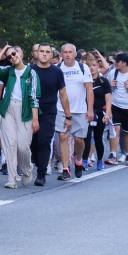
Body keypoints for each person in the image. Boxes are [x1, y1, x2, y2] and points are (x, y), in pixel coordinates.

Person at [0, 45, 39, 188]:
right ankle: (12, 179)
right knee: (10, 144)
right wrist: (3, 51)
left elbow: (34, 97)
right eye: (9, 56)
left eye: (14, 53)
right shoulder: (8, 72)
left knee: (23, 146)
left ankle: (27, 170)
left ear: (22, 54)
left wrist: (35, 119)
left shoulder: (31, 73)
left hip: (25, 110)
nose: (13, 57)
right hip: (8, 108)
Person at [30, 44, 70, 185]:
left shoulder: (57, 72)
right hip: (30, 111)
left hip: (49, 112)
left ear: (52, 55)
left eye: (48, 52)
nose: (45, 54)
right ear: (37, 53)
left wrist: (68, 116)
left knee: (44, 141)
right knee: (33, 143)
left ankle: (41, 174)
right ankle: (36, 160)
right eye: (42, 51)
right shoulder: (30, 70)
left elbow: (63, 95)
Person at [55, 44, 94, 180]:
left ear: (75, 53)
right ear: (61, 54)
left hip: (80, 109)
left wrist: (90, 110)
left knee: (79, 139)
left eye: (70, 52)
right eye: (64, 52)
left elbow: (89, 89)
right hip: (61, 109)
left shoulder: (83, 68)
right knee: (63, 136)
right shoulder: (58, 68)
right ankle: (65, 168)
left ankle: (79, 159)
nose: (67, 55)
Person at [82, 54, 112, 170]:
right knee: (86, 137)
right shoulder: (84, 81)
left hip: (100, 112)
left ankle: (100, 160)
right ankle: (84, 159)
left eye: (94, 65)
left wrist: (108, 113)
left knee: (98, 138)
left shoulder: (103, 81)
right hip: (87, 112)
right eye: (89, 65)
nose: (92, 68)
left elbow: (108, 99)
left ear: (98, 66)